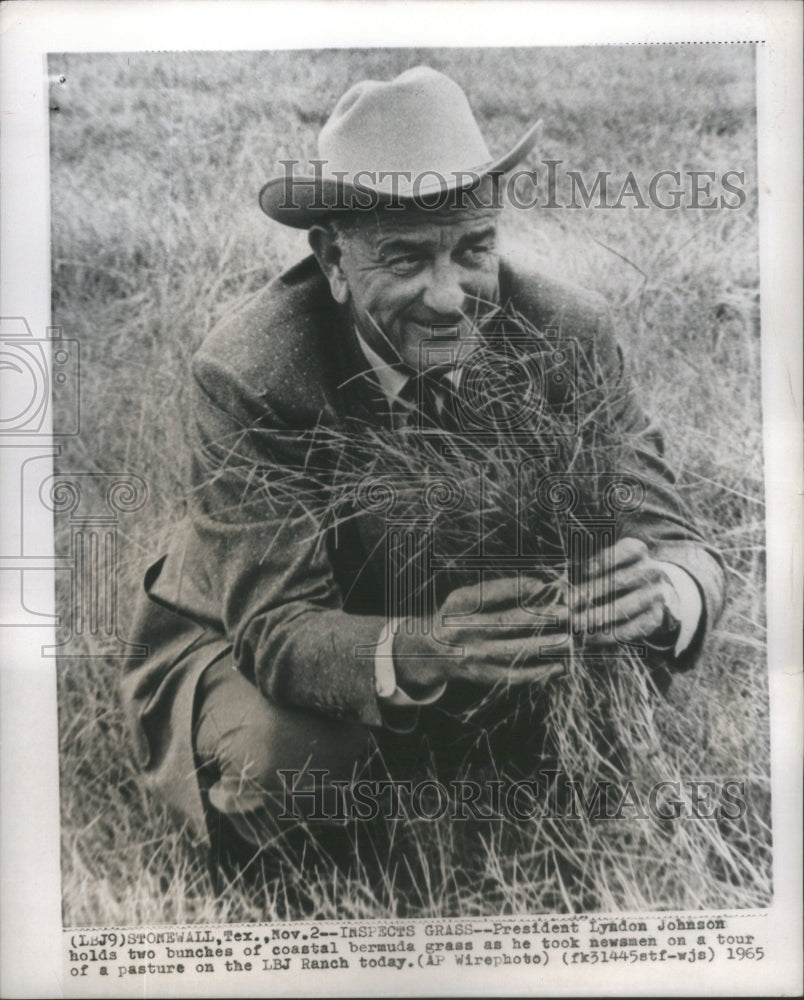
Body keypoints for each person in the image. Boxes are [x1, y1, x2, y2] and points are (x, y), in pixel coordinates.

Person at [121, 67, 724, 869]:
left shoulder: (568, 331)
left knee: (601, 708)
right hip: (249, 629)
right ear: (333, 259)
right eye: (405, 261)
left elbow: (675, 539)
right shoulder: (253, 370)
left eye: (474, 250)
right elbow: (279, 631)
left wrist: (664, 594)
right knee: (289, 765)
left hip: (457, 620)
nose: (449, 298)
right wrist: (425, 648)